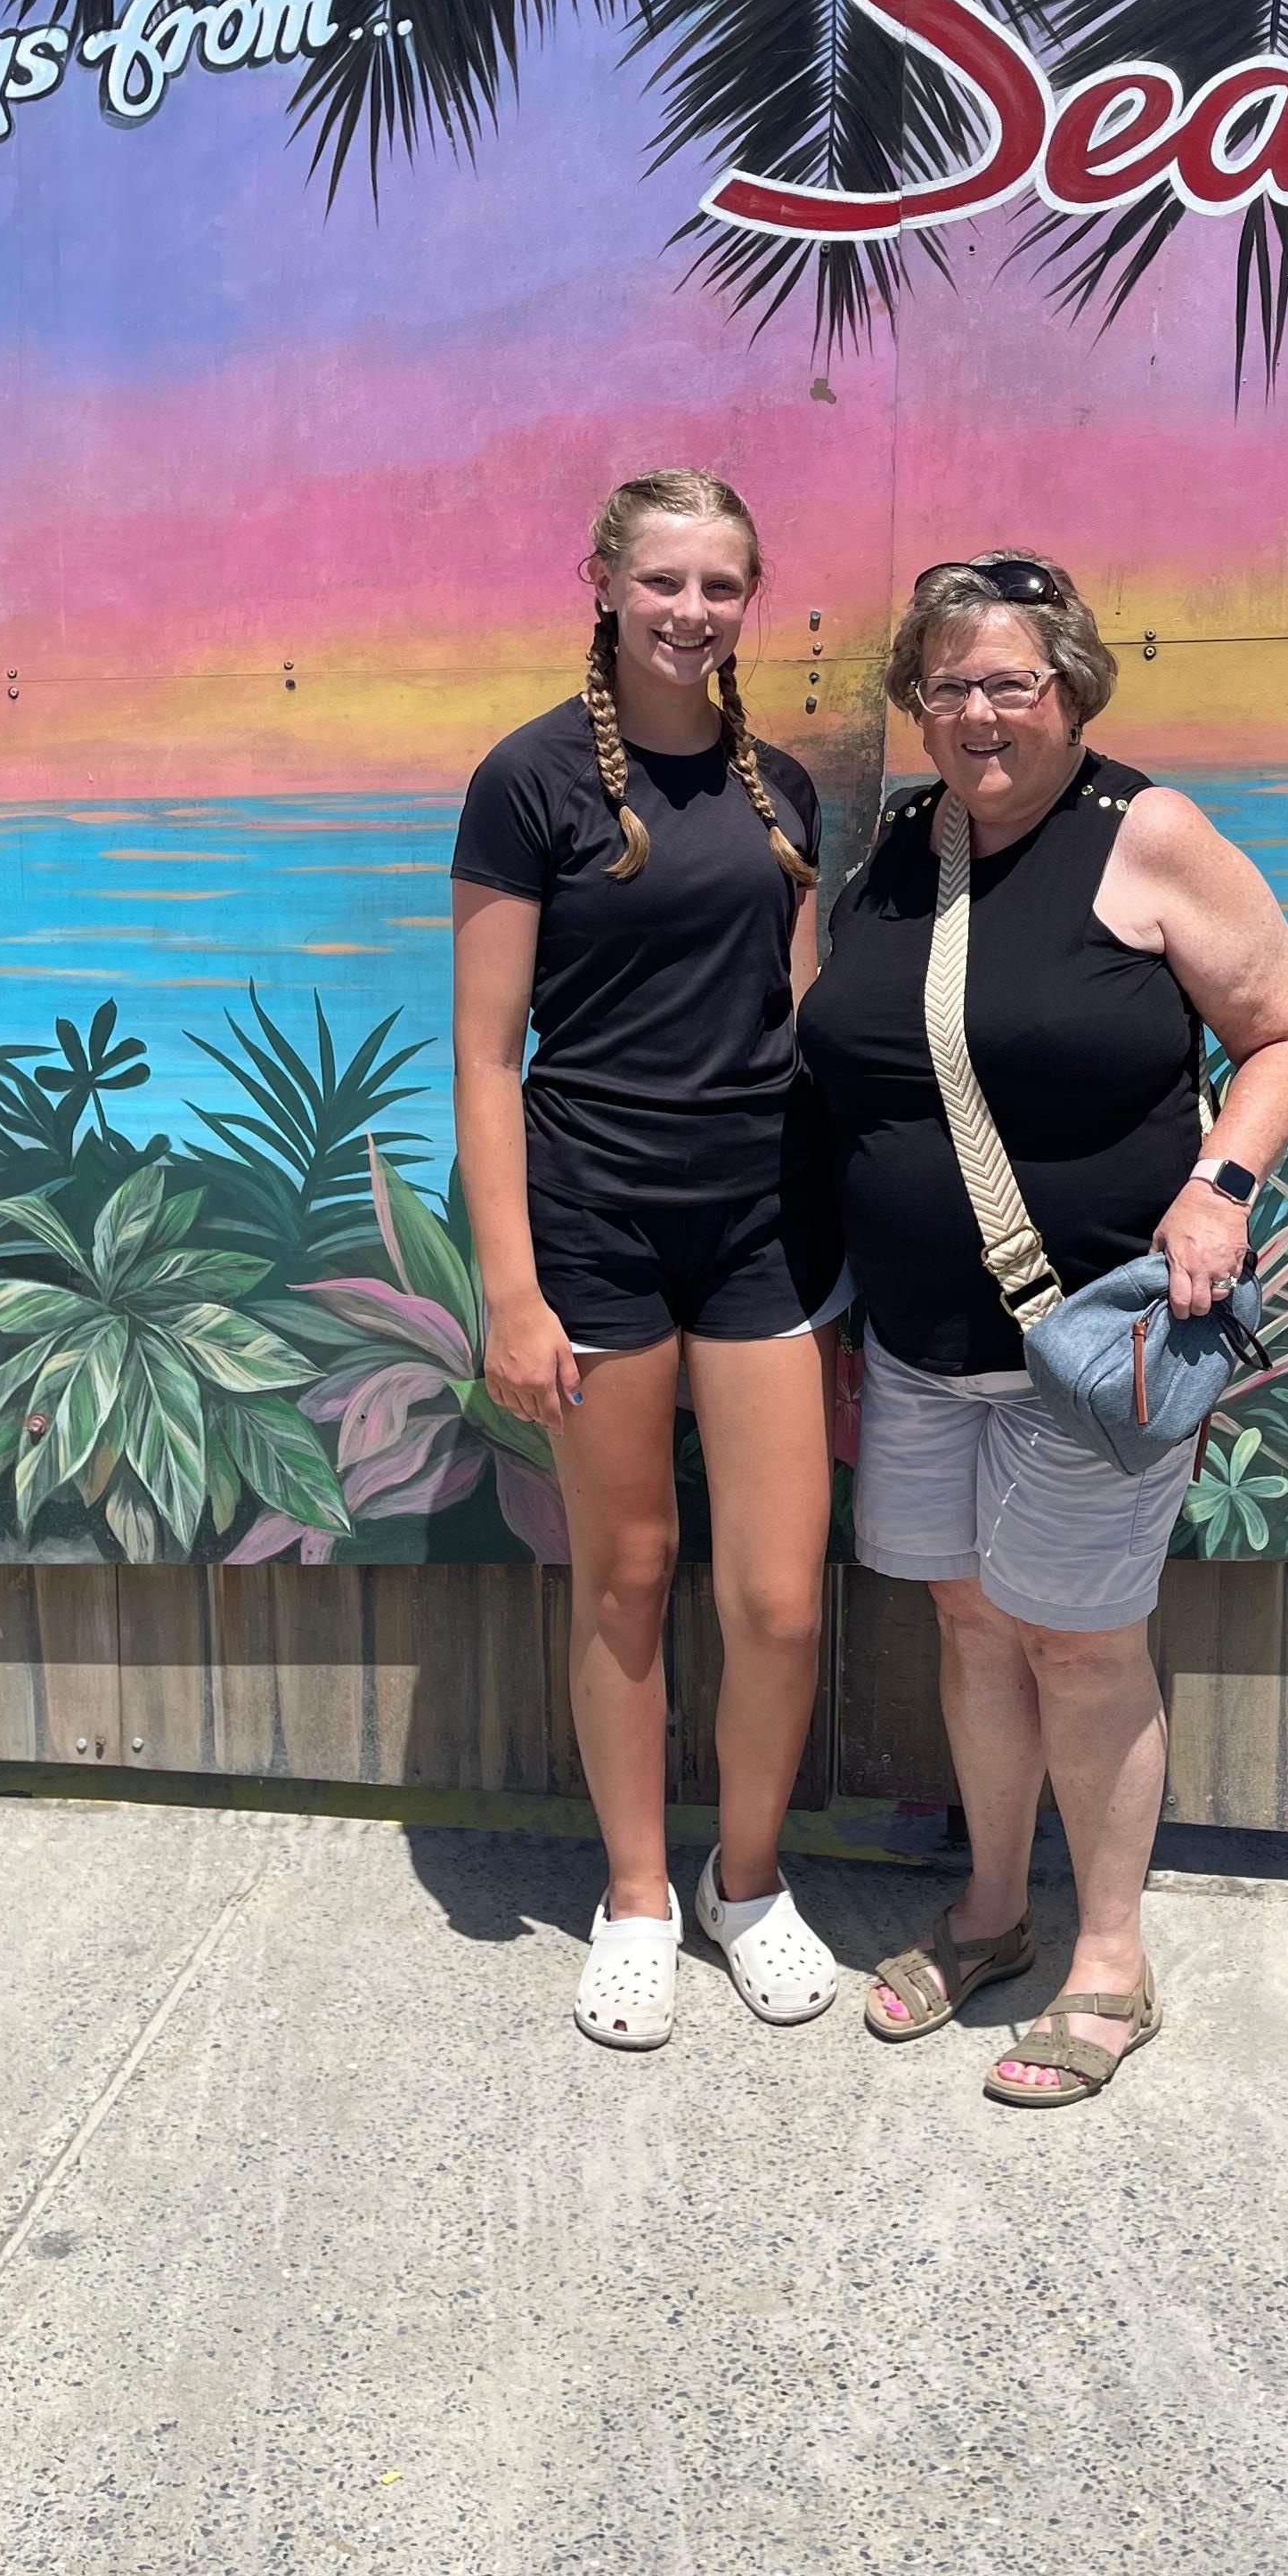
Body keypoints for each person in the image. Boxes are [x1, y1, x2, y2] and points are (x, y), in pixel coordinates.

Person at [799, 553, 1288, 2107]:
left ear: (1074, 689)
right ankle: (991, 1912)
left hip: (1096, 1340)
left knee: (1085, 1648)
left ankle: (1110, 1960)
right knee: (972, 1626)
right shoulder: (903, 850)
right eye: (949, 686)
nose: (977, 713)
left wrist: (1222, 1188)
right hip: (916, 1343)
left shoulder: (1147, 835)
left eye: (1009, 683)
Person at [451, 469, 847, 2051]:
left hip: (760, 1230)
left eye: (723, 584)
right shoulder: (525, 780)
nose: (693, 611)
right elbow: (487, 1058)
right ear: (605, 582)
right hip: (594, 1223)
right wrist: (511, 1291)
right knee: (624, 1577)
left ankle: (745, 1883)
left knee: (781, 1602)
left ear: (754, 598)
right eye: (665, 580)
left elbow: (808, 1030)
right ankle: (634, 1897)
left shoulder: (788, 792)